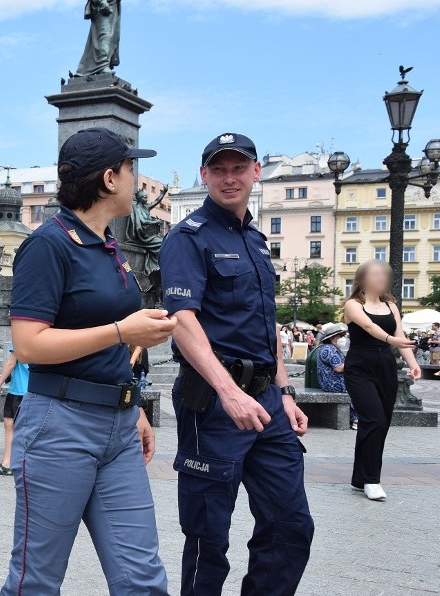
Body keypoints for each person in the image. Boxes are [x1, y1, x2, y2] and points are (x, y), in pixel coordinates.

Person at [2, 127, 175, 595]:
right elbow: (30, 345)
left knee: (142, 578)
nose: (137, 179)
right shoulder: (48, 244)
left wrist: (132, 401)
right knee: (36, 579)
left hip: (117, 425)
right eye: (131, 168)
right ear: (109, 178)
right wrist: (124, 330)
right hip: (60, 426)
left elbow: (110, 343)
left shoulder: (107, 246)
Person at [160, 132, 314, 595]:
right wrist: (229, 392)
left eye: (239, 168)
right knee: (210, 538)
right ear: (204, 175)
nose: (230, 178)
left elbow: (266, 326)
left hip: (267, 401)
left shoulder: (258, 240)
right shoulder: (188, 238)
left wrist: (284, 392)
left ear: (255, 173)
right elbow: (182, 320)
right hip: (213, 402)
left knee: (291, 526)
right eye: (219, 169)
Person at [342, 260, 421, 501]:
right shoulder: (353, 304)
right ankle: (371, 480)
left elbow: (401, 335)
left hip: (385, 365)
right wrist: (390, 340)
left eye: (383, 275)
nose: (380, 278)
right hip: (359, 366)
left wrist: (413, 363)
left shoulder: (391, 305)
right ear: (361, 279)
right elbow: (368, 326)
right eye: (374, 274)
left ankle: (359, 478)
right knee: (373, 419)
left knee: (380, 422)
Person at [0, 342, 29, 476]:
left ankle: (9, 463)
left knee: (12, 426)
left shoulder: (20, 338)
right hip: (27, 390)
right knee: (10, 423)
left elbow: (11, 363)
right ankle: (10, 462)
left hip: (19, 390)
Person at [315, 323, 358, 429]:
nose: (343, 338)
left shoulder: (328, 348)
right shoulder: (329, 349)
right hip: (334, 383)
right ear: (333, 337)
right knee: (359, 388)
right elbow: (339, 368)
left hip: (332, 382)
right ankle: (356, 419)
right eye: (341, 336)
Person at [75, 0, 121, 77]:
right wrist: (102, 2)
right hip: (103, 6)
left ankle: (84, 67)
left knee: (111, 39)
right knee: (104, 35)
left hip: (113, 6)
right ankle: (102, 64)